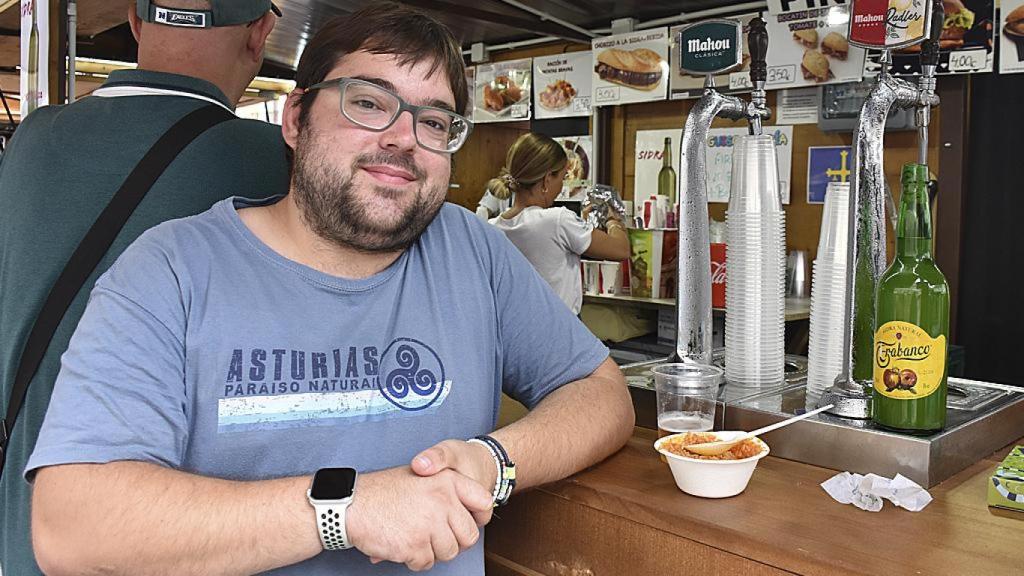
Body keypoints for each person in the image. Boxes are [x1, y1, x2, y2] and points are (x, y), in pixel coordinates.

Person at [25, 4, 635, 575]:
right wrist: (344, 509)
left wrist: (495, 462)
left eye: (434, 121)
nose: (402, 137)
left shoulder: (468, 248)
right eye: (368, 103)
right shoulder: (171, 270)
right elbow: (71, 524)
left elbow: (602, 395)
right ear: (295, 119)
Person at [0, 2, 287, 574]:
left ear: (134, 21)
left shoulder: (30, 142)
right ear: (259, 34)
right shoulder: (273, 160)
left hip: (22, 530)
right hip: (168, 537)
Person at [488, 133, 631, 314]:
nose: (561, 186)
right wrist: (612, 220)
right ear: (547, 180)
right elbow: (621, 249)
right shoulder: (557, 220)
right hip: (559, 329)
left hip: (517, 331)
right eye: (562, 178)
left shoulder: (492, 227)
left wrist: (583, 225)